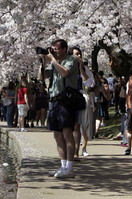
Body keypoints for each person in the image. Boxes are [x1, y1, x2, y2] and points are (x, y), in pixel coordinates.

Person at [41, 39, 79, 178]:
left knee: (67, 133)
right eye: (53, 48)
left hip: (66, 101)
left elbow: (65, 73)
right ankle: (63, 166)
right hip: (53, 100)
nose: (54, 51)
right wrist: (44, 61)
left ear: (64, 49)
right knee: (57, 135)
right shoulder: (52, 62)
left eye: (57, 49)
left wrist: (53, 60)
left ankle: (70, 167)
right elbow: (44, 77)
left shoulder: (72, 59)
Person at [71, 47, 95, 159]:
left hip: (81, 98)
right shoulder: (68, 67)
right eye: (76, 54)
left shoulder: (85, 69)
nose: (78, 56)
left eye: (79, 54)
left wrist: (81, 68)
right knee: (73, 125)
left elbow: (89, 83)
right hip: (70, 98)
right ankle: (72, 150)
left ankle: (83, 148)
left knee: (83, 124)